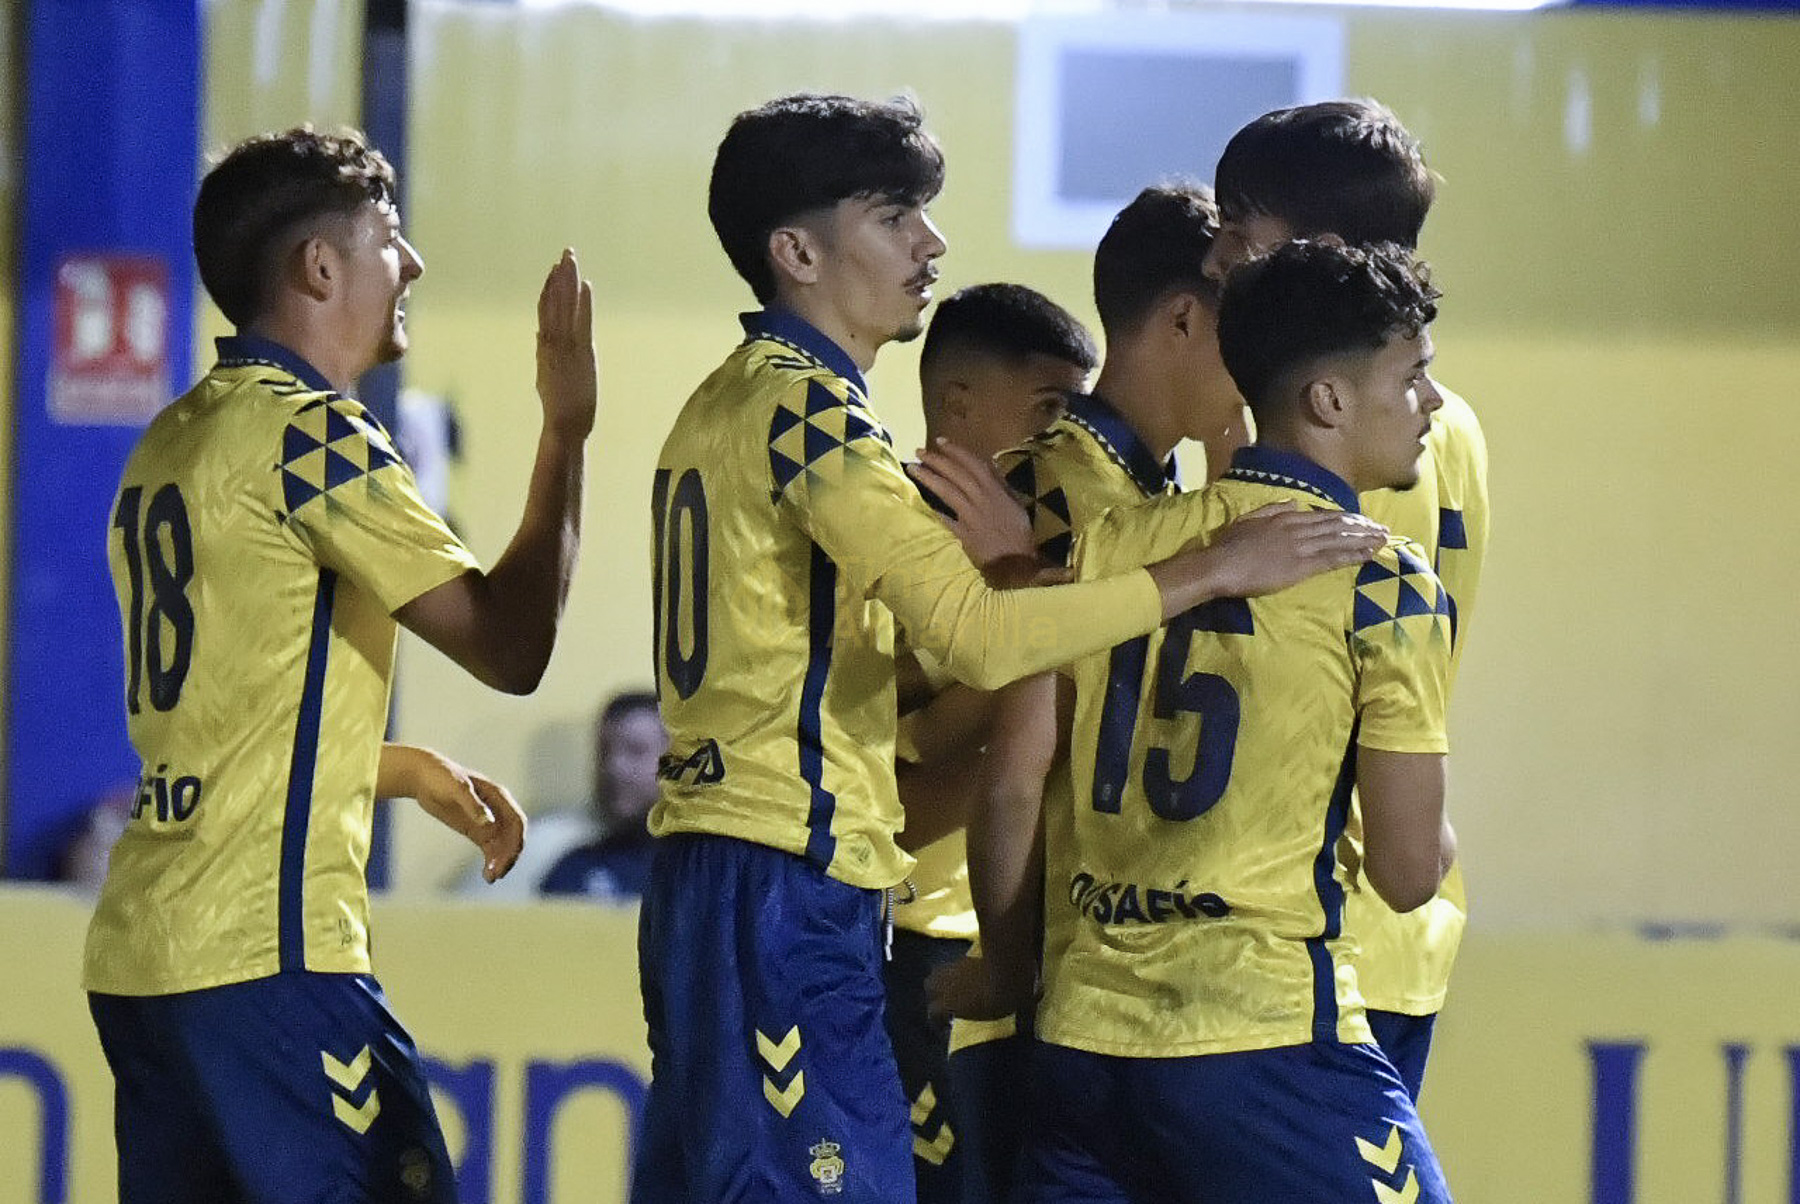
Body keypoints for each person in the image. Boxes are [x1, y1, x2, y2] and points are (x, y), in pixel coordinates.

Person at [635, 92, 1386, 1204]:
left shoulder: (729, 400)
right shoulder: (815, 416)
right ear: (797, 252)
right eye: (895, 216)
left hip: (740, 872)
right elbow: (981, 648)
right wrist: (1207, 570)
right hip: (791, 878)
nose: (931, 243)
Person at [85, 125, 596, 1203]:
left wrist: (400, 768)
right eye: (390, 237)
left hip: (144, 960)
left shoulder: (172, 441)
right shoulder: (313, 435)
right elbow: (511, 647)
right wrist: (565, 433)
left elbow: (225, 721)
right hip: (268, 960)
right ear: (320, 267)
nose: (411, 263)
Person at [951, 238, 1457, 1202]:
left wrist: (1010, 972)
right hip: (1263, 1039)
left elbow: (1012, 781)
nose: (1431, 401)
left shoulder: (1111, 544)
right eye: (1413, 376)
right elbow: (1405, 875)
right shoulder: (1382, 580)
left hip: (1082, 1051)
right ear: (1329, 400)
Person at [926, 182, 1250, 1202]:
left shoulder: (1161, 498)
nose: (1264, 356)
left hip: (1113, 993)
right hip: (1011, 982)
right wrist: (1006, 960)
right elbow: (955, 749)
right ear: (1183, 319)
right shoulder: (1041, 490)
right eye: (1246, 322)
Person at [1204, 98, 1491, 1100]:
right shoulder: (1446, 419)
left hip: (1311, 945)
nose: (1217, 256)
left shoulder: (1340, 444)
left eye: (1240, 227)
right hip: (1382, 940)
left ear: (1321, 253)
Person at [886, 282, 1100, 1202]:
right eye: (1050, 411)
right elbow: (900, 783)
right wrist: (1038, 638)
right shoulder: (884, 539)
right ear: (957, 402)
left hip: (1027, 950)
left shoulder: (1053, 543)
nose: (1067, 442)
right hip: (913, 946)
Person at [540, 691, 668, 903]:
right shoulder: (574, 872)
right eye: (605, 752)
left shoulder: (708, 872)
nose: (615, 767)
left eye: (636, 751)